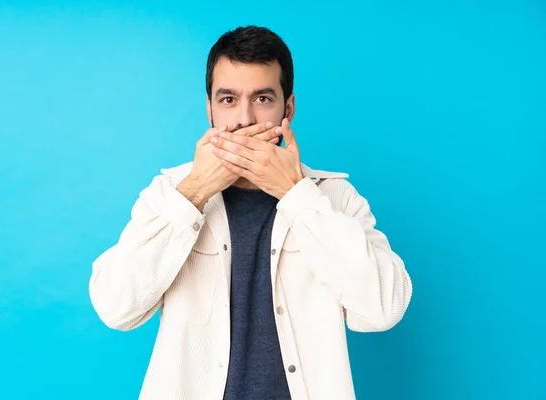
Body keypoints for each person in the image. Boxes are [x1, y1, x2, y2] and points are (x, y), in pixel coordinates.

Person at [89, 25, 413, 400]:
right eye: (228, 100)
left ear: (287, 108)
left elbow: (383, 309)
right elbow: (116, 308)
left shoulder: (334, 196)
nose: (244, 119)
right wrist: (194, 192)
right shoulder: (169, 192)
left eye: (262, 98)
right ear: (209, 108)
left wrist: (295, 193)